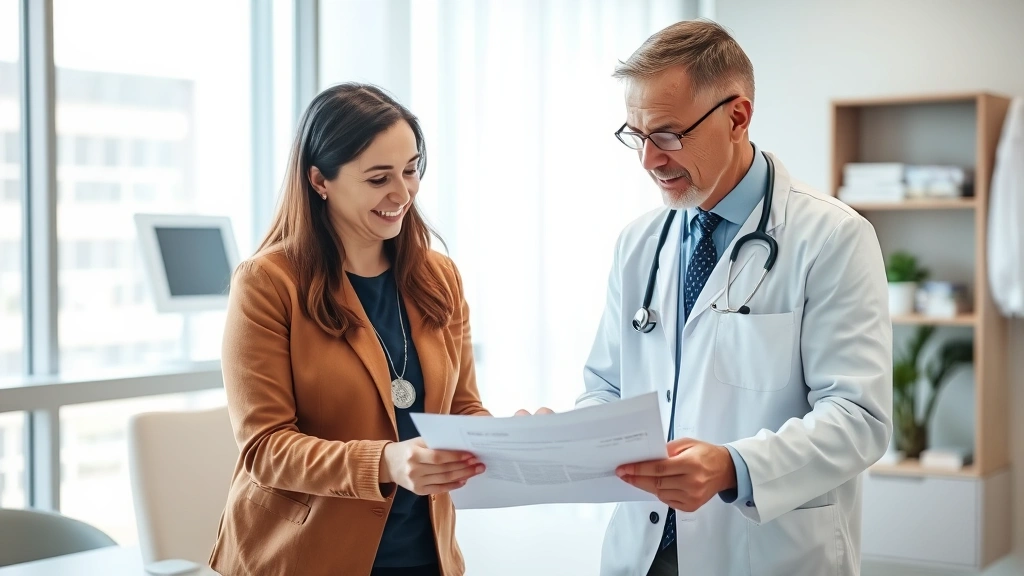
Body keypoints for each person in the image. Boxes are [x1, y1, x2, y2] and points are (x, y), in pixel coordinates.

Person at [547, 20, 893, 576]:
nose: (649, 161)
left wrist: (733, 467)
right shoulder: (639, 243)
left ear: (737, 116)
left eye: (667, 135)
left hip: (765, 551)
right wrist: (568, 434)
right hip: (644, 551)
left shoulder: (831, 237)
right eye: (636, 136)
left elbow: (859, 418)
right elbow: (608, 387)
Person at [209, 83, 490, 576]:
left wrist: (516, 440)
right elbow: (265, 447)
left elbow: (463, 409)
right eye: (379, 178)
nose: (402, 194)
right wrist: (386, 462)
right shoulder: (267, 283)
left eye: (411, 169)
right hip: (303, 557)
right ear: (320, 181)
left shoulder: (438, 276)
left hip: (426, 557)